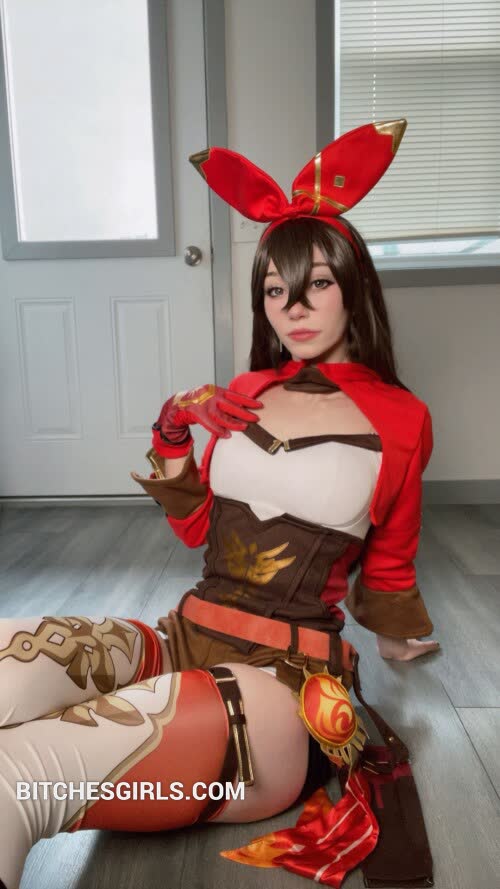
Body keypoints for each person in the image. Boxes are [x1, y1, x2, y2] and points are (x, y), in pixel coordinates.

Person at [0, 120, 438, 889]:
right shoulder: (245, 391)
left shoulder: (401, 419)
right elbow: (199, 525)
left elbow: (391, 563)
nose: (293, 306)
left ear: (355, 286)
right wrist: (174, 425)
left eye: (317, 283)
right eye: (274, 288)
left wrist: (403, 640)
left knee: (17, 774)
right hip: (180, 637)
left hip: (281, 689)